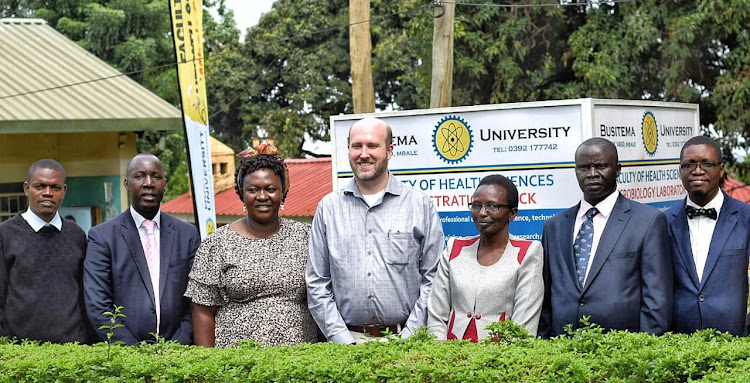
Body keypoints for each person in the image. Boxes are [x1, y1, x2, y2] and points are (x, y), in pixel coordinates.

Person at [307, 117, 444, 344]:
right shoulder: (328, 208)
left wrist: (408, 338)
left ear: (389, 151)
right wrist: (343, 340)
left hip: (408, 342)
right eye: (356, 146)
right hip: (345, 344)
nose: (364, 154)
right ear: (348, 149)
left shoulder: (420, 205)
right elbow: (317, 282)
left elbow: (434, 278)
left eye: (372, 146)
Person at [185, 144, 317, 347]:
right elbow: (202, 310)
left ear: (283, 191)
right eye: (253, 190)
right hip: (236, 364)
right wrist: (207, 363)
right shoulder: (217, 244)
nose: (262, 197)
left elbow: (323, 297)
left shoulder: (306, 237)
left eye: (271, 189)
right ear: (241, 193)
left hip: (299, 360)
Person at [539, 138, 672, 338]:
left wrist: (642, 354)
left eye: (600, 166)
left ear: (618, 169)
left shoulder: (648, 221)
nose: (592, 174)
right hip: (562, 353)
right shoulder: (554, 226)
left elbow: (657, 302)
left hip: (621, 354)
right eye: (584, 167)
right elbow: (546, 299)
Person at [84, 153, 200, 345]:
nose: (148, 183)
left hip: (179, 355)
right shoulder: (102, 237)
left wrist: (177, 346)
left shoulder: (187, 234)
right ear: (127, 183)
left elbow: (196, 298)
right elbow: (98, 305)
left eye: (156, 176)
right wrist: (135, 353)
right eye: (139, 176)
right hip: (126, 357)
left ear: (165, 183)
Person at [427, 174, 543, 341]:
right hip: (448, 358)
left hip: (501, 361)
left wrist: (498, 363)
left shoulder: (527, 253)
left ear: (512, 213)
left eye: (493, 206)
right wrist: (440, 355)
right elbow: (436, 315)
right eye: (476, 205)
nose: (482, 213)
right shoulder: (454, 249)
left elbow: (523, 328)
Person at [0, 159, 95, 344]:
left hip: (73, 350)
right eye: (40, 186)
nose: (48, 193)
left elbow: (85, 295)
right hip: (21, 353)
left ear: (64, 191)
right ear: (27, 188)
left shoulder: (77, 235)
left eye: (55, 187)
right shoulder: (5, 234)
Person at [667, 136, 750, 336]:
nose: (697, 171)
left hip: (735, 341)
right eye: (689, 165)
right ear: (680, 171)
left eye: (706, 163)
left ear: (721, 170)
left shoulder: (746, 216)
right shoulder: (665, 221)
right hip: (679, 345)